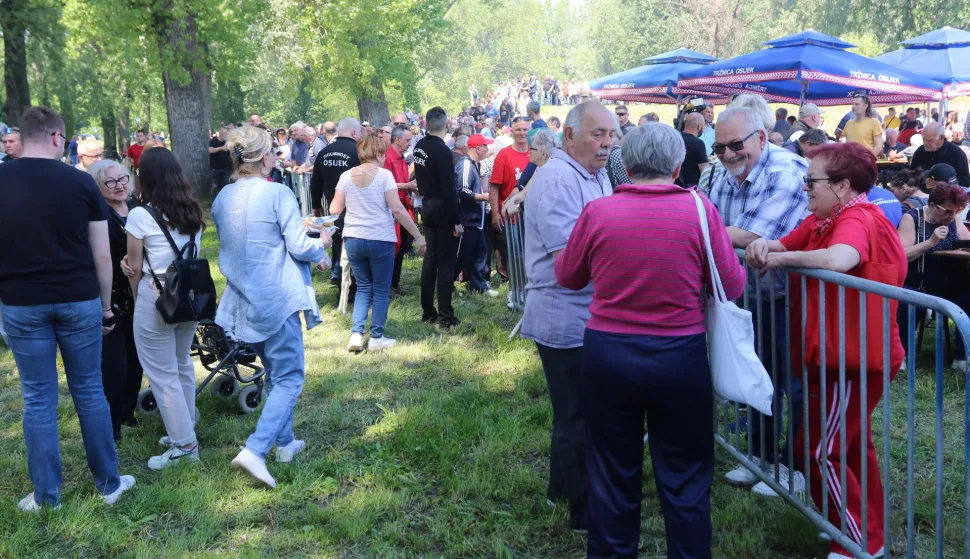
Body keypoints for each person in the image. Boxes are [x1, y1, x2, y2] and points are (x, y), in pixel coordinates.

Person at [557, 122, 745, 559]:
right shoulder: (700, 210)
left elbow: (568, 275)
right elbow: (731, 285)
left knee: (610, 470)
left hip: (608, 353)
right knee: (685, 473)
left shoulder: (599, 212)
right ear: (678, 164)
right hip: (679, 357)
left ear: (627, 162)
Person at [746, 142, 906, 559]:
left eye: (811, 181)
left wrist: (779, 261)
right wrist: (767, 247)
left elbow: (839, 258)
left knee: (819, 451)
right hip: (838, 355)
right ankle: (860, 529)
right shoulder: (824, 217)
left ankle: (857, 542)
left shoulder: (858, 218)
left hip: (854, 359)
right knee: (849, 447)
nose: (804, 189)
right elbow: (784, 241)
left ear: (842, 186)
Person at [0, 106, 136, 511]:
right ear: (59, 138)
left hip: (22, 302)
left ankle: (47, 496)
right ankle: (109, 485)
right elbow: (102, 257)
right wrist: (107, 308)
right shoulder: (80, 183)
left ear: (22, 139)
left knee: (38, 399)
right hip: (79, 299)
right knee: (90, 392)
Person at [209, 125, 331, 487]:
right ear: (265, 159)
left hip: (242, 301)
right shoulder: (277, 192)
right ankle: (256, 449)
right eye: (274, 155)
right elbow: (297, 245)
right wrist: (322, 242)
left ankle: (285, 442)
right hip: (275, 298)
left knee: (276, 373)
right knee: (290, 377)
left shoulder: (221, 198)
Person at [521, 100, 615, 534]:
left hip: (582, 313)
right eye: (598, 134)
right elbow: (570, 262)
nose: (607, 144)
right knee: (580, 415)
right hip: (567, 314)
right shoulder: (560, 178)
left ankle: (561, 489)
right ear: (570, 135)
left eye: (612, 135)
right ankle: (583, 512)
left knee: (573, 412)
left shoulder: (591, 175)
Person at [708, 106, 809, 497]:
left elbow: (750, 233)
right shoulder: (720, 171)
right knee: (758, 378)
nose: (728, 155)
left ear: (762, 138)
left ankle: (794, 467)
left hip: (789, 297)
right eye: (719, 148)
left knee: (794, 384)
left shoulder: (786, 170)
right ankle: (763, 459)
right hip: (748, 295)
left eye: (736, 145)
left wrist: (694, 228)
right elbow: (709, 217)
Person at [123, 147, 206, 470]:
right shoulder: (192, 212)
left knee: (162, 374)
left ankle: (185, 445)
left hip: (156, 296)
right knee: (182, 364)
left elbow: (134, 266)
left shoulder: (140, 215)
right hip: (187, 296)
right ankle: (184, 428)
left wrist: (135, 295)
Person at [331, 135, 426, 351]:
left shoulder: (346, 176)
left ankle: (356, 335)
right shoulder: (384, 176)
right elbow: (398, 209)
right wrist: (418, 236)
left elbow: (334, 210)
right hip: (380, 238)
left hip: (353, 237)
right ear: (378, 153)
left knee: (363, 287)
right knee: (381, 290)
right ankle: (376, 338)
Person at [88, 160, 142, 442]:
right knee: (114, 365)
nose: (120, 185)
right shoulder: (97, 214)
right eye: (110, 182)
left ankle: (127, 411)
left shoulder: (136, 208)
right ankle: (112, 426)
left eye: (123, 178)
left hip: (138, 295)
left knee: (137, 359)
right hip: (110, 297)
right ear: (98, 186)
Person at [415, 107, 463, 328]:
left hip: (427, 205)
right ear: (446, 125)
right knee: (445, 263)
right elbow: (448, 189)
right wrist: (457, 220)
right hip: (441, 207)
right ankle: (445, 316)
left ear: (426, 123)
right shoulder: (442, 151)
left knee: (430, 260)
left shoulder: (420, 146)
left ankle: (427, 310)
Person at [310, 118, 362, 287]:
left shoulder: (324, 152)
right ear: (354, 132)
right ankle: (353, 285)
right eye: (359, 132)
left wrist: (316, 206)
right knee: (354, 247)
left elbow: (315, 182)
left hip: (333, 207)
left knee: (339, 246)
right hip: (355, 208)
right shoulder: (358, 152)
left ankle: (342, 284)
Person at [454, 134, 499, 297]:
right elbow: (462, 191)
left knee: (480, 254)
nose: (487, 149)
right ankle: (447, 285)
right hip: (467, 220)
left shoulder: (473, 165)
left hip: (476, 220)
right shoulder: (465, 165)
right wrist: (485, 197)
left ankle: (479, 286)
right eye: (485, 146)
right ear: (478, 149)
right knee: (462, 256)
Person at [489, 116, 531, 281]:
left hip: (533, 216)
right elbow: (494, 187)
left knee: (532, 254)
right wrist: (495, 213)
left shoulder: (536, 154)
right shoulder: (504, 155)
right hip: (512, 218)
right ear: (512, 132)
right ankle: (516, 288)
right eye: (518, 130)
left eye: (525, 129)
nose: (522, 133)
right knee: (515, 255)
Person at [385, 125, 417, 296]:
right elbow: (384, 184)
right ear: (397, 140)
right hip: (393, 209)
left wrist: (412, 187)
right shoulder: (387, 158)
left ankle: (394, 282)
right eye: (407, 140)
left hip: (404, 206)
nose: (409, 144)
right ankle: (389, 284)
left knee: (404, 244)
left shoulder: (402, 158)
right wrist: (408, 185)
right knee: (395, 246)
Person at [910, 122, 970, 187]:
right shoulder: (920, 152)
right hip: (921, 193)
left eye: (930, 140)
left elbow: (964, 181)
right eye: (924, 139)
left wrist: (941, 185)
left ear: (941, 138)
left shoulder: (956, 153)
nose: (926, 143)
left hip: (948, 194)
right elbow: (912, 174)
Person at [679, 112, 709, 187]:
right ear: (699, 127)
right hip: (692, 188)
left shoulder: (674, 138)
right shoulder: (698, 143)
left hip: (674, 185)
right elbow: (704, 171)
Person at [209, 124, 231, 197]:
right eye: (225, 132)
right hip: (215, 169)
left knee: (225, 188)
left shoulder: (227, 142)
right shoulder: (213, 141)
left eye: (227, 132)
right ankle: (215, 203)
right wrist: (221, 148)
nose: (226, 133)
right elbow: (210, 150)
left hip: (225, 169)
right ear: (221, 132)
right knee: (215, 188)